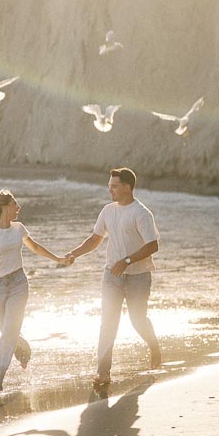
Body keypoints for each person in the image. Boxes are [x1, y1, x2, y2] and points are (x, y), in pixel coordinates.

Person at [64, 167, 162, 393]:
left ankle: (154, 346)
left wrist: (127, 260)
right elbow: (95, 239)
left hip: (138, 276)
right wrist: (74, 254)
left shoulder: (141, 213)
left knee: (138, 320)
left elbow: (153, 245)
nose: (110, 190)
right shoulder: (108, 211)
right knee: (108, 322)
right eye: (109, 186)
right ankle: (103, 371)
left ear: (127, 187)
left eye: (114, 186)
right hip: (111, 276)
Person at [0, 189, 65, 392]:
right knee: (7, 332)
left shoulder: (19, 228)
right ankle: (23, 350)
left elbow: (36, 247)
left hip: (18, 284)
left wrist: (57, 259)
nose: (18, 208)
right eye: (15, 205)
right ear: (5, 207)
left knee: (7, 334)